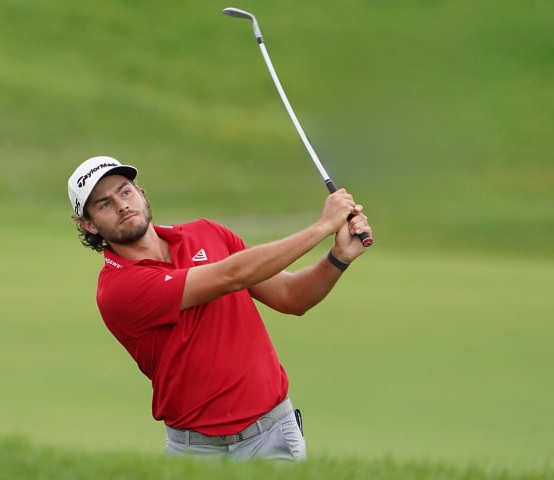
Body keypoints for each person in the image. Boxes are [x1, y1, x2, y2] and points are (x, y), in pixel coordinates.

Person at [68, 155, 372, 461]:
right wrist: (322, 227)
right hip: (195, 451)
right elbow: (232, 275)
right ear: (89, 225)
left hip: (272, 437)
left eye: (125, 191)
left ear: (141, 193)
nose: (122, 205)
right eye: (104, 204)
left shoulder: (206, 232)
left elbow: (291, 296)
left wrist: (338, 258)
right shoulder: (119, 288)